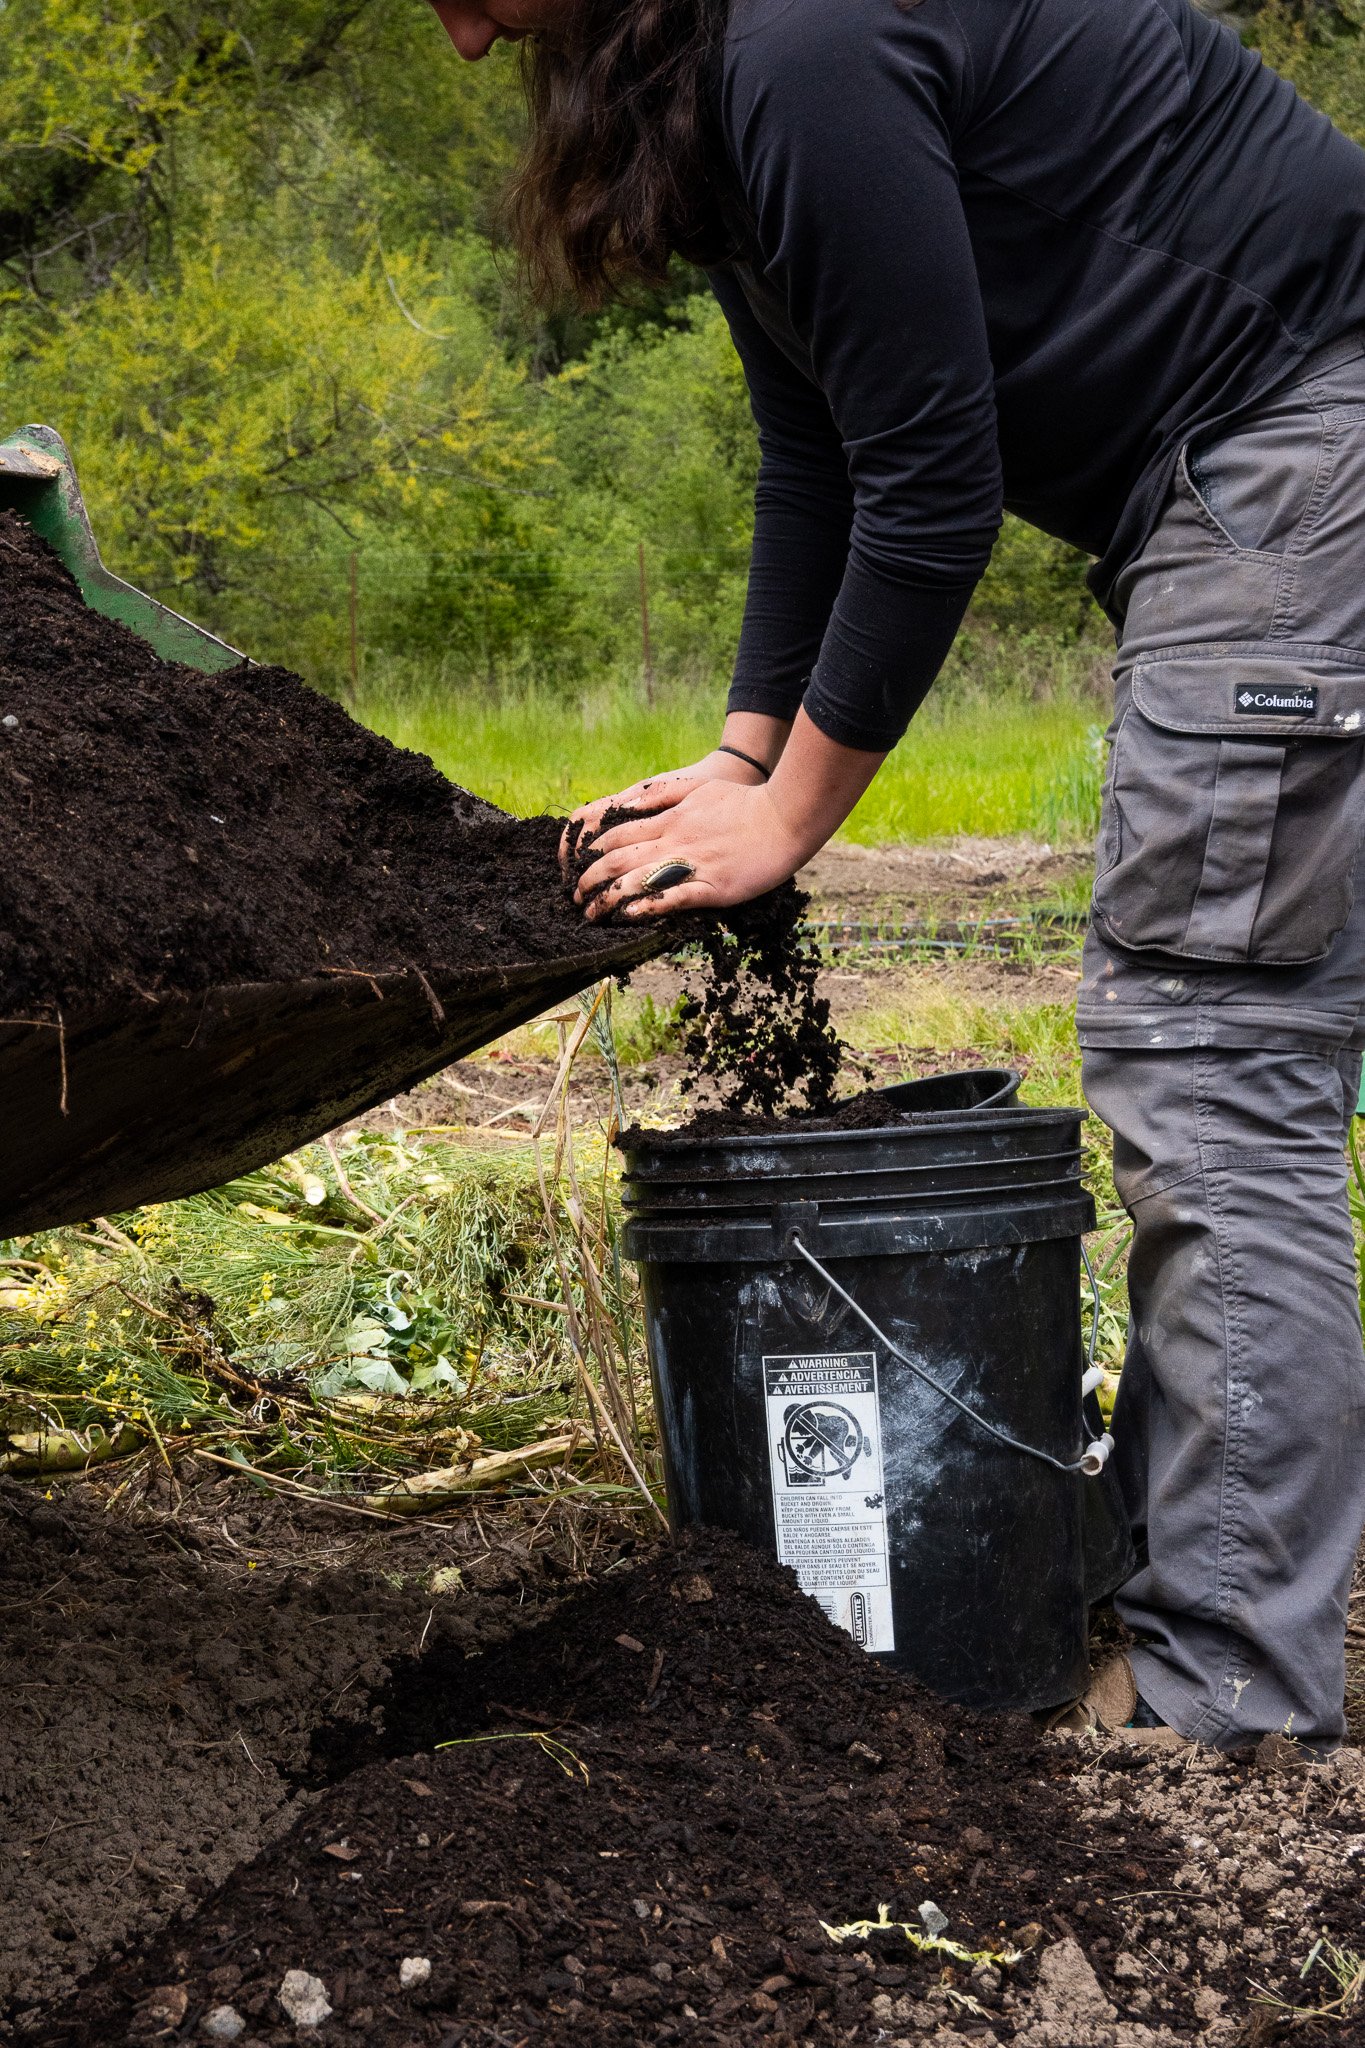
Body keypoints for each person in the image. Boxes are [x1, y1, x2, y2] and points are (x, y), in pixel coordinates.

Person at [428, 0, 1365, 1752]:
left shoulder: (809, 48)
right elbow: (824, 455)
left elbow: (937, 481)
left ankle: (1235, 1724)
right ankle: (1207, 1640)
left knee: (1216, 1070)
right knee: (1218, 1063)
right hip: (1275, 465)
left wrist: (788, 823)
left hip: (1308, 453)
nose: (471, 42)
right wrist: (736, 750)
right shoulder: (728, 82)